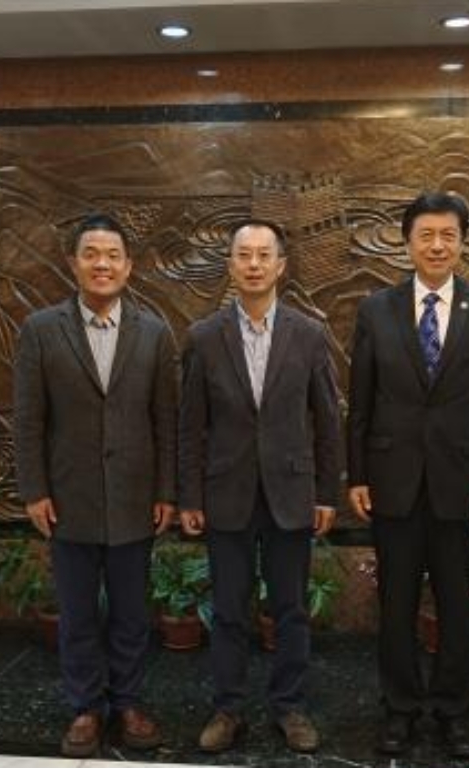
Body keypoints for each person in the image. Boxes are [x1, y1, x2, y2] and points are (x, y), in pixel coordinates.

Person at [346, 191, 469, 758]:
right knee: (395, 607)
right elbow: (361, 402)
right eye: (426, 235)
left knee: (458, 606)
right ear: (407, 242)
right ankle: (399, 709)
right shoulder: (376, 310)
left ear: (462, 243)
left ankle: (452, 712)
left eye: (448, 235)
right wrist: (357, 474)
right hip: (391, 481)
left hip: (459, 483)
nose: (437, 245)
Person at [13, 213, 178, 758]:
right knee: (78, 613)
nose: (101, 264)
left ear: (128, 266)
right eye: (91, 254)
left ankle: (127, 702)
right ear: (73, 263)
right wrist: (34, 489)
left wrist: (166, 491)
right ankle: (85, 707)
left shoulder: (154, 334)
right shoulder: (41, 330)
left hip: (135, 498)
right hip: (69, 499)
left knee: (132, 612)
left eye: (112, 255)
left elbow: (165, 421)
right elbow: (29, 420)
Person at [178, 219, 341, 754]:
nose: (253, 264)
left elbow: (327, 420)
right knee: (228, 610)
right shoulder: (205, 337)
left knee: (290, 609)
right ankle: (228, 709)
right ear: (230, 265)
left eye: (263, 255)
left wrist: (326, 494)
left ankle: (289, 706)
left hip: (290, 495)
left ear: (280, 266)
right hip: (225, 495)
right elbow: (191, 426)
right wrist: (190, 496)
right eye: (243, 255)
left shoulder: (308, 334)